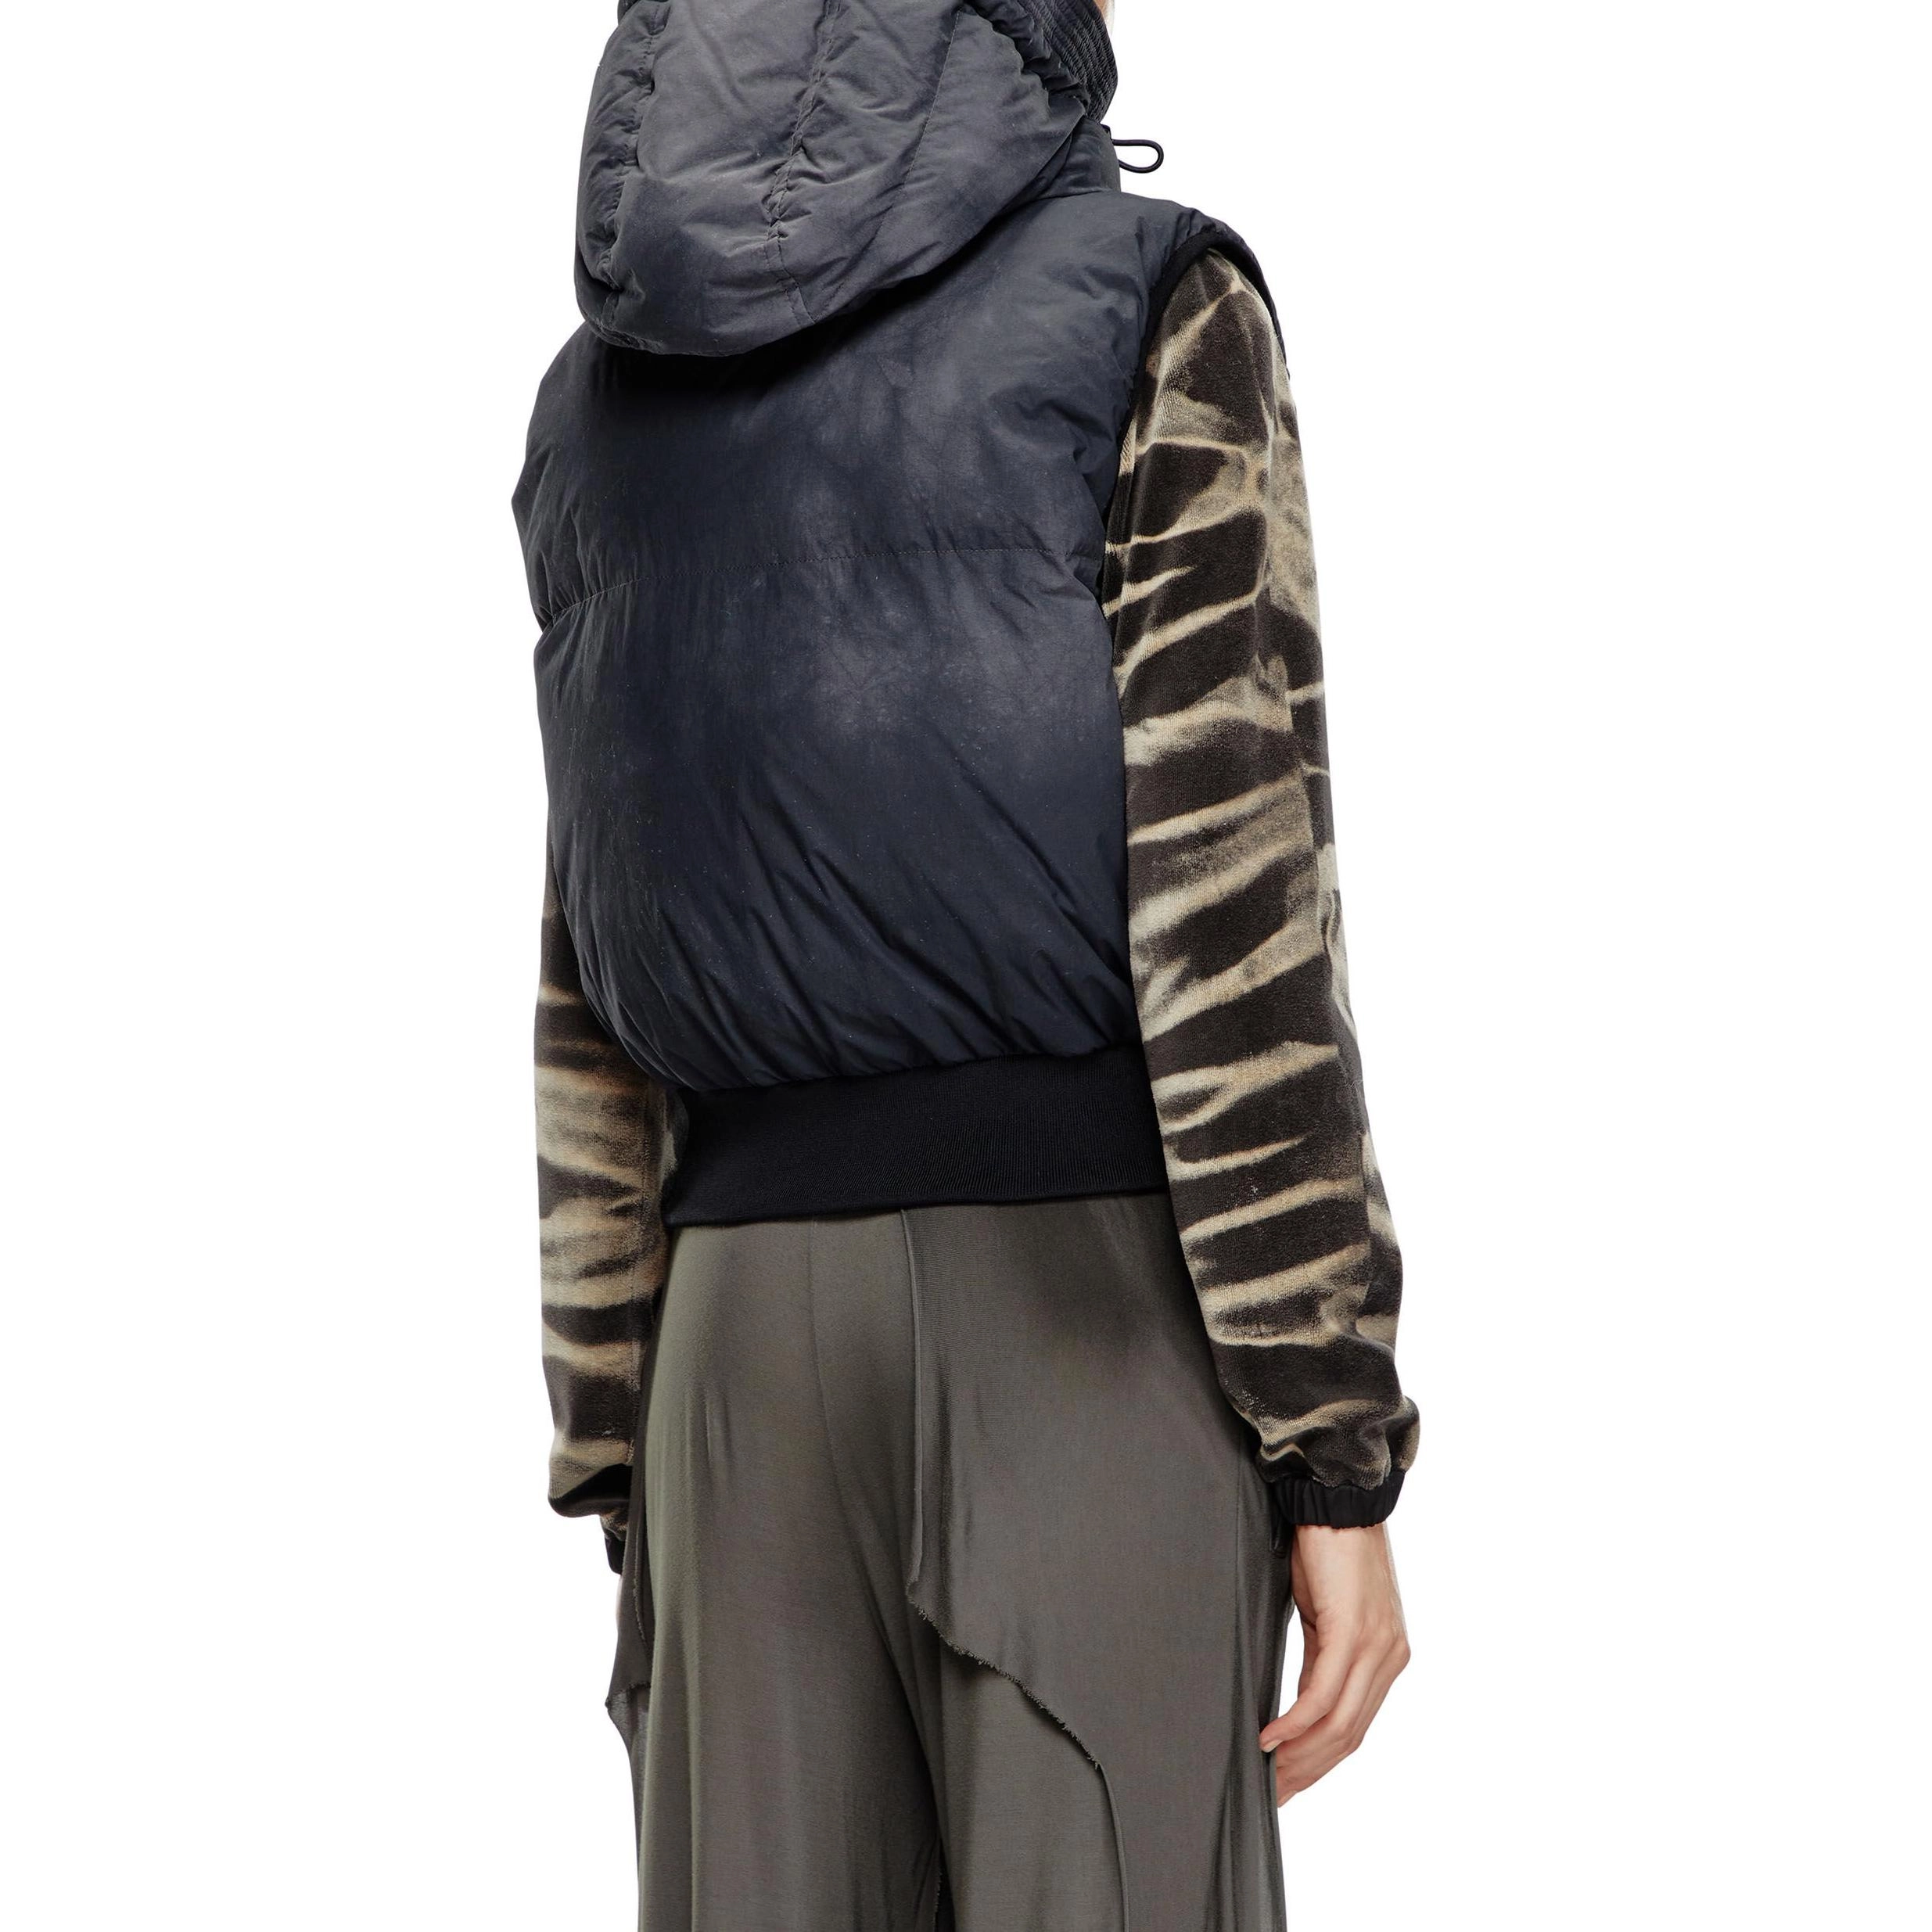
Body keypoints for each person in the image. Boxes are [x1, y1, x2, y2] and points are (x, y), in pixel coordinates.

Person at [514, 0, 1418, 1923]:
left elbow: (591, 944)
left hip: (726, 1353)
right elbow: (1232, 897)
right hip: (1079, 1316)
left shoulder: (598, 387)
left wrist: (614, 1431)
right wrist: (1328, 1436)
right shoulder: (1149, 302)